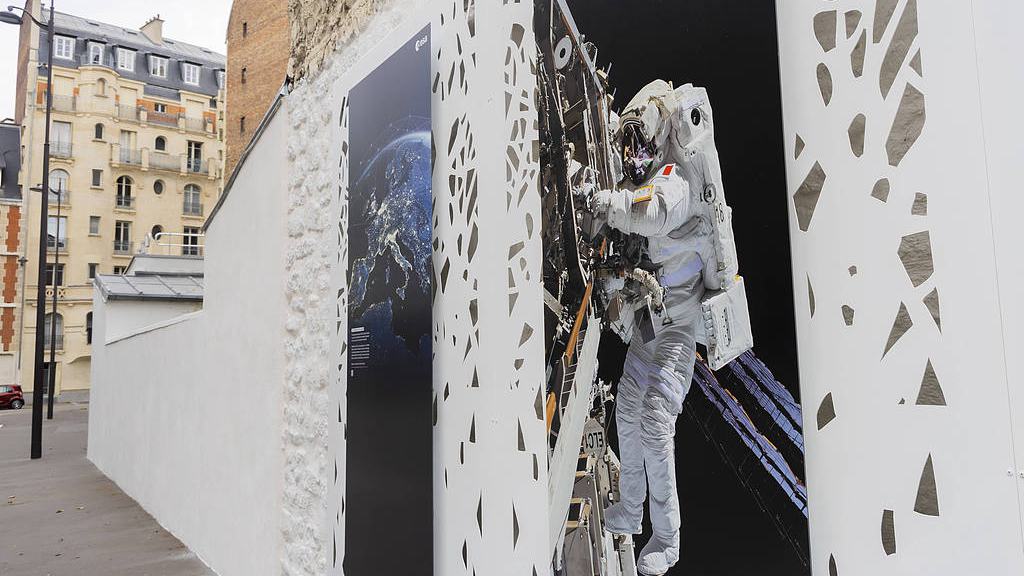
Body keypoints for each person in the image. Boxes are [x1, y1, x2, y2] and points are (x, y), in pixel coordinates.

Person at [590, 79, 719, 576]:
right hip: (652, 319)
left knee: (654, 420)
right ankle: (630, 509)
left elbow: (655, 210)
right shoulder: (652, 172)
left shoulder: (680, 177)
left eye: (641, 139)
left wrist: (610, 204)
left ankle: (667, 540)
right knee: (627, 405)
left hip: (678, 332)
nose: (635, 152)